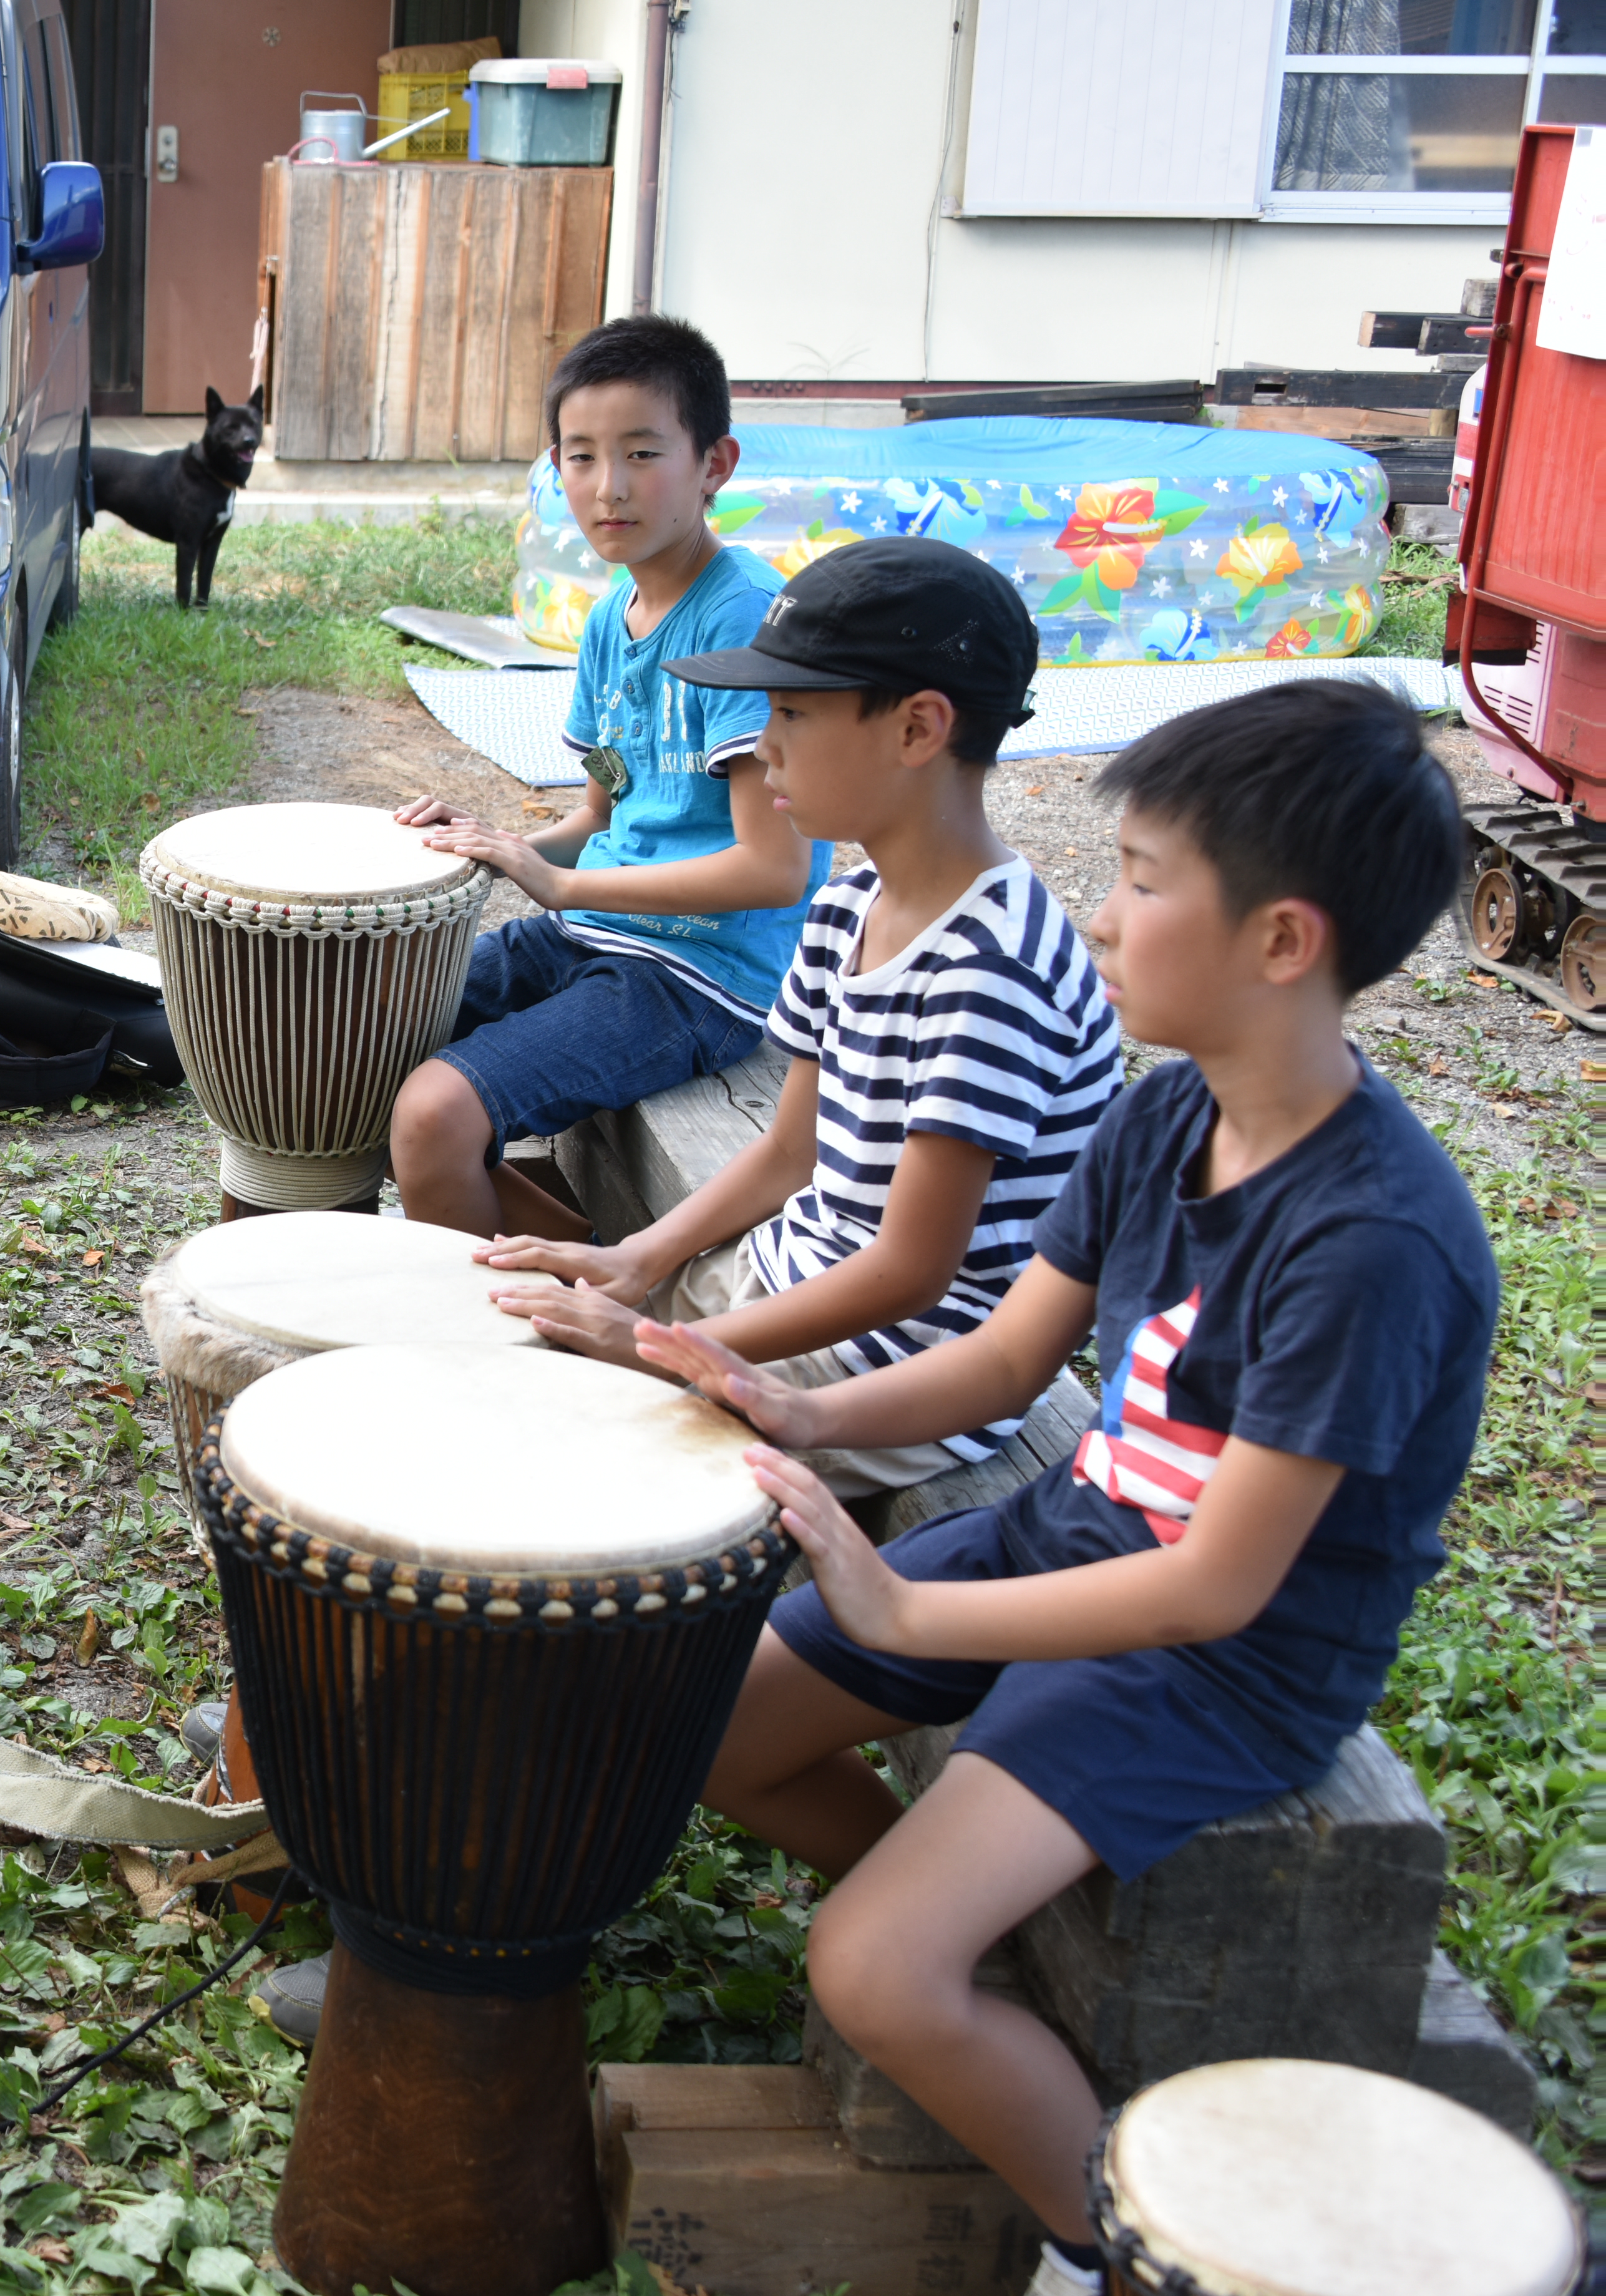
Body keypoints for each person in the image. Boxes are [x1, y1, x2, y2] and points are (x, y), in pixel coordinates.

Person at [641, 683, 1494, 2296]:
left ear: (1285, 942)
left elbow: (1219, 1586)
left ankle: (1111, 2237)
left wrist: (909, 1600)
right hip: (1081, 1534)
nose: (1100, 917)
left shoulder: (1375, 1241)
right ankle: (1003, 1982)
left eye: (1146, 881)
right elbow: (1006, 1362)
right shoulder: (1169, 1106)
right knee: (714, 1732)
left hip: (1216, 1670)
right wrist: (795, 1417)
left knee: (870, 1969)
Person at [479, 537, 1121, 1497]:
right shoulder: (848, 908)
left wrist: (665, 1343)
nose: (760, 745)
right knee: (502, 1356)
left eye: (788, 713)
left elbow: (910, 1272)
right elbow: (791, 1154)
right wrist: (635, 1261)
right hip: (789, 1284)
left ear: (917, 729)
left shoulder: (990, 970)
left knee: (547, 1463)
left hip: (893, 1369)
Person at [388, 316, 827, 1239]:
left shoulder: (741, 618)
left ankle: (589, 1321)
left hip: (699, 974)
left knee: (433, 1115)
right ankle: (585, 1273)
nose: (609, 488)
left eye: (641, 453)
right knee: (365, 1027)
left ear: (716, 463)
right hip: (594, 931)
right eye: (581, 458)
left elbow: (775, 869)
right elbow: (600, 810)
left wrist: (563, 883)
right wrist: (490, 845)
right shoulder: (605, 624)